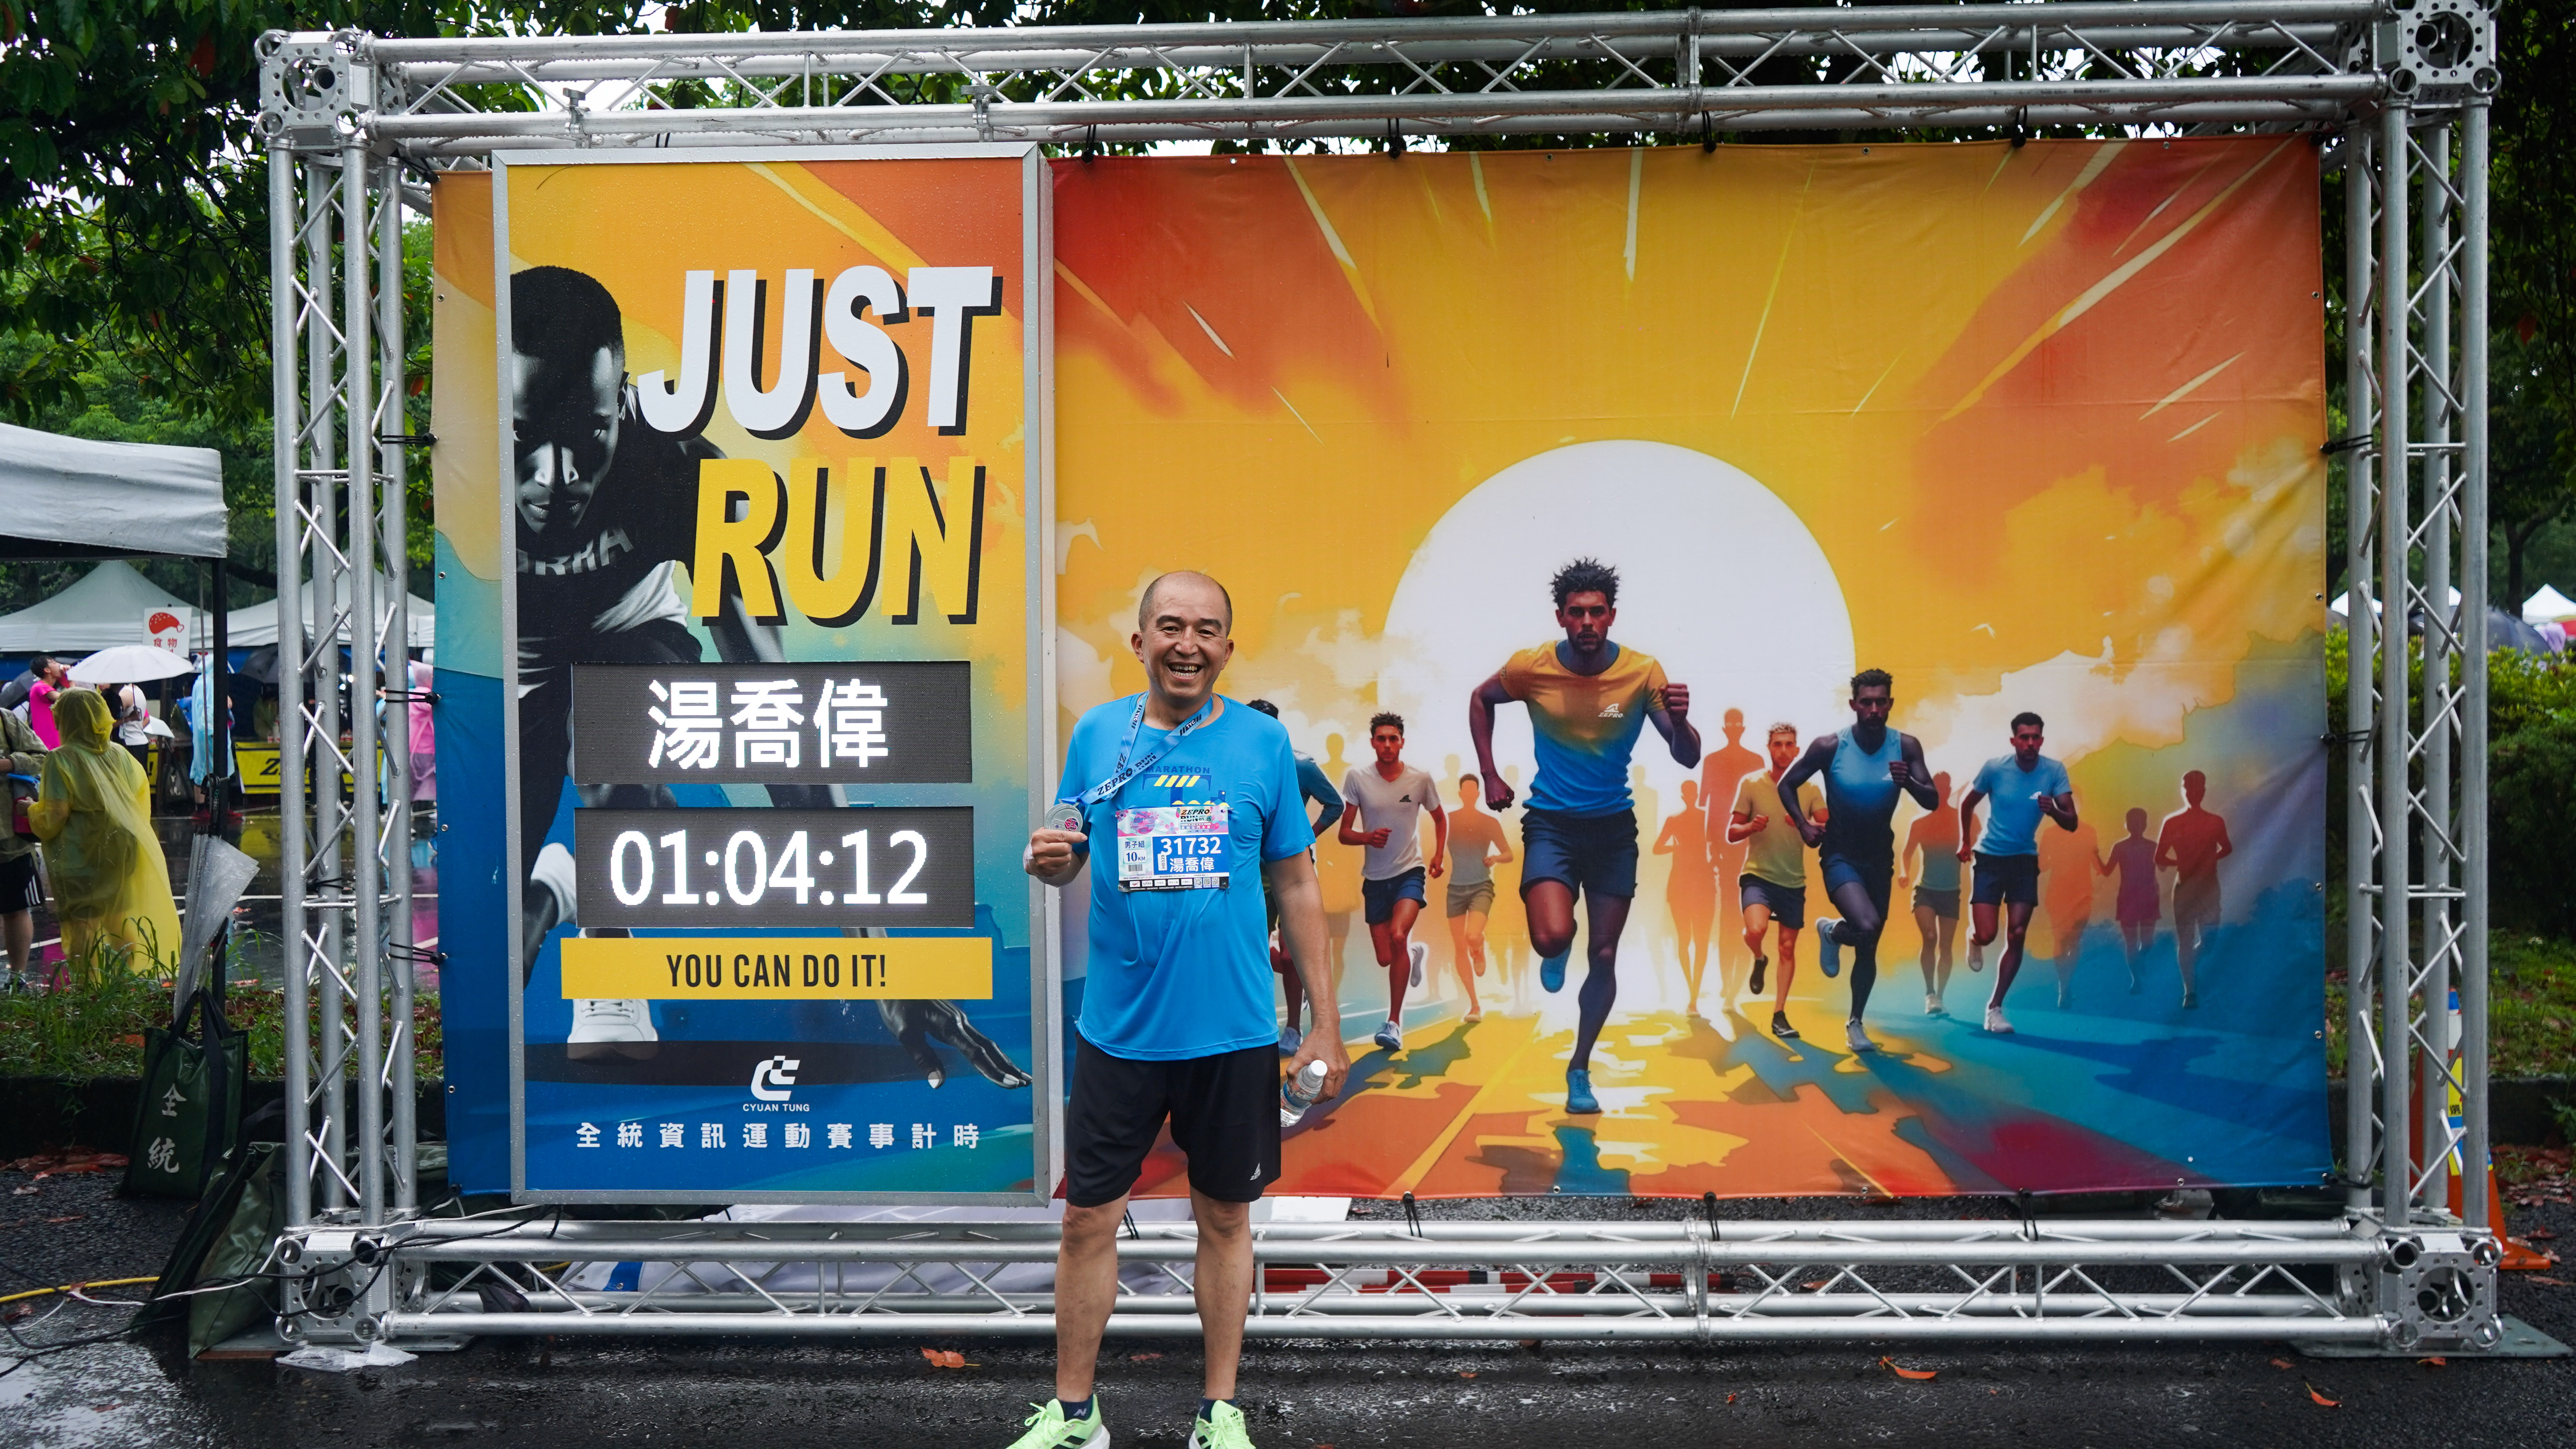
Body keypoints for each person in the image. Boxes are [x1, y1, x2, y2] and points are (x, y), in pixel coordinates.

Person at [504, 265, 1008, 1081]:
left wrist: (880, 960)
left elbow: (775, 713)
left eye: (587, 434)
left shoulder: (681, 471)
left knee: (617, 743)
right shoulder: (469, 480)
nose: (555, 478)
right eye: (524, 438)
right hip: (520, 656)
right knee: (500, 916)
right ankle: (561, 882)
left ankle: (609, 961)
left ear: (622, 402)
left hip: (630, 631)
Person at [1021, 570, 1348, 1449]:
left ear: (1228, 649)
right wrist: (1052, 858)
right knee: (1087, 1220)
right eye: (1170, 626)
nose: (1188, 644)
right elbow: (1066, 839)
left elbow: (1297, 883)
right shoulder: (1098, 734)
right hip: (1120, 1033)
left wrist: (1325, 1023)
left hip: (1232, 1034)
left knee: (1227, 1219)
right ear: (1141, 642)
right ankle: (1075, 1415)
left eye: (1206, 630)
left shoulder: (1263, 744)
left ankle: (1219, 1410)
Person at [1469, 558, 1700, 1114]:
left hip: (1613, 830)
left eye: (1598, 612)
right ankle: (1558, 945)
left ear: (1612, 615)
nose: (1588, 622)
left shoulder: (1643, 673)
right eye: (1577, 613)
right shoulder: (1532, 667)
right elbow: (1481, 699)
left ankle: (1579, 1067)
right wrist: (1490, 773)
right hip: (1551, 823)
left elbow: (1687, 756)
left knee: (1605, 952)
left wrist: (1683, 721)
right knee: (1552, 937)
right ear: (1561, 617)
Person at [1777, 670, 1937, 1054]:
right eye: (1867, 702)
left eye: (1881, 702)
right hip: (1840, 855)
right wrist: (1803, 825)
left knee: (1869, 944)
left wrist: (1908, 782)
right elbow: (1787, 784)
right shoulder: (1830, 746)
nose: (1874, 709)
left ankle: (1855, 1022)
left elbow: (1932, 800)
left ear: (1890, 704)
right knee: (1866, 925)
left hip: (1879, 858)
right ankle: (1834, 933)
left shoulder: (1906, 746)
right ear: (1854, 705)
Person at [29, 689, 179, 973]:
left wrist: (29, 810)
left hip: (81, 855)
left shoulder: (61, 759)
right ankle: (132, 981)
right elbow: (137, 800)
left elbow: (54, 816)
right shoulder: (121, 754)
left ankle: (92, 987)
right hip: (122, 850)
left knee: (84, 925)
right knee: (121, 919)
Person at [1957, 713, 2078, 1034]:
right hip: (1990, 858)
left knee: (2017, 933)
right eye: (2024, 738)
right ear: (2014, 741)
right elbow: (1966, 803)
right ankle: (1974, 938)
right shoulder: (1995, 768)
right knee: (1987, 935)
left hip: (2024, 860)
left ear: (2042, 740)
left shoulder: (2054, 771)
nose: (2030, 743)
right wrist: (1965, 842)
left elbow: (2072, 822)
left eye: (2036, 737)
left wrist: (2054, 810)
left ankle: (1994, 1008)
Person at [1339, 712, 1444, 1051]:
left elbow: (1440, 818)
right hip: (1375, 879)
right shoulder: (1358, 778)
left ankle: (1394, 1023)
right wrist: (1367, 837)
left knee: (1399, 935)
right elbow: (1344, 834)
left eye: (1393, 739)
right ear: (1373, 743)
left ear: (1402, 742)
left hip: (1410, 872)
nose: (1387, 744)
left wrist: (1438, 855)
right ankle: (1414, 953)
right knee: (1386, 957)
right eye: (1381, 739)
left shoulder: (1420, 779)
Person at [1244, 699, 1342, 1053]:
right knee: (1250, 951)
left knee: (1290, 956)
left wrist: (1306, 835)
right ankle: (1257, 1024)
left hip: (1292, 871)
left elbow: (1335, 805)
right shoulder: (1234, 763)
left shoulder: (1300, 764)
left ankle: (1293, 1029)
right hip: (1249, 873)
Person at [1729, 722, 1823, 1039]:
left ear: (1797, 750)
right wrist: (1751, 827)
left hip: (1793, 880)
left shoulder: (1810, 789)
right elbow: (1732, 832)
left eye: (1789, 745)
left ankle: (1779, 1015)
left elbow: (1828, 828)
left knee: (1787, 948)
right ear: (1769, 749)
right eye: (1778, 744)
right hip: (1758, 875)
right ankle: (1759, 958)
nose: (1784, 750)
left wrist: (1804, 822)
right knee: (1756, 930)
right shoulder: (1751, 783)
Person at [1698, 709, 1765, 1008]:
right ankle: (1729, 985)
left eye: (1738, 723)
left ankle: (1734, 985)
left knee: (1747, 915)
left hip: (1750, 848)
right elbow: (1709, 806)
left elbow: (1764, 804)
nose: (1735, 727)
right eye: (1732, 723)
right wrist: (1712, 847)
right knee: (1730, 916)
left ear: (1741, 728)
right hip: (1728, 850)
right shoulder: (1714, 761)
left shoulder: (1755, 761)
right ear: (1726, 729)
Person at [2155, 771, 2233, 1009]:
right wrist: (2180, 862)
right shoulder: (2172, 822)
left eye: (2197, 788)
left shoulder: (2215, 822)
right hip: (2184, 887)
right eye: (2188, 788)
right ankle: (2189, 991)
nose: (2192, 792)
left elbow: (2227, 847)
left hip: (2209, 887)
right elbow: (2159, 857)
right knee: (2186, 939)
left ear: (2204, 791)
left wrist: (2211, 859)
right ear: (2183, 791)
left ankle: (2192, 966)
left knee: (2210, 939)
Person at [1443, 773, 1512, 1021]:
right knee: (1459, 948)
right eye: (1466, 791)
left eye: (1474, 791)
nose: (1470, 794)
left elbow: (1509, 854)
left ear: (1478, 794)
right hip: (1455, 890)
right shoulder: (1448, 821)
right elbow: (1436, 847)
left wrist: (1495, 858)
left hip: (1481, 886)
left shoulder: (1489, 822)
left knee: (1472, 936)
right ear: (1460, 794)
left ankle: (1479, 947)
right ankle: (1474, 1005)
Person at [1899, 770, 1964, 1016]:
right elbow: (1907, 853)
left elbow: (1978, 844)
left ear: (1950, 790)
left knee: (1946, 945)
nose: (1942, 792)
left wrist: (1971, 852)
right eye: (1937, 788)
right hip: (1925, 889)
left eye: (1945, 788)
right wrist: (1904, 873)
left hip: (1951, 891)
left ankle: (1940, 997)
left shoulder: (1961, 820)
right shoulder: (1920, 822)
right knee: (1930, 937)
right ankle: (1929, 993)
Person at [1653, 779, 1717, 1018]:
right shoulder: (1681, 820)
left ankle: (1694, 995)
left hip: (1695, 882)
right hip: (1687, 883)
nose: (1691, 796)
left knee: (1695, 939)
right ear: (1688, 795)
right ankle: (1693, 994)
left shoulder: (1695, 819)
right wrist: (1677, 848)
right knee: (1690, 939)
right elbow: (1657, 848)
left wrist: (1679, 849)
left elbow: (1716, 847)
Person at [0, 700, 48, 991]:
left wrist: (8, 763)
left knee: (16, 908)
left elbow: (42, 756)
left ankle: (17, 978)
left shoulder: (6, 721)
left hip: (10, 837)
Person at [2100, 806, 2161, 994]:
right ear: (2127, 825)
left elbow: (2164, 867)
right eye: (2133, 823)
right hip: (2128, 898)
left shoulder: (2153, 846)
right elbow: (2107, 871)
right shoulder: (2120, 847)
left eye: (2140, 823)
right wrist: (2095, 856)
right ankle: (2136, 980)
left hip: (2149, 898)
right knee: (2131, 943)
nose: (2136, 827)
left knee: (2148, 943)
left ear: (2145, 825)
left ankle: (2139, 962)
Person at [26, 655, 68, 750]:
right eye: (54, 663)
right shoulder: (40, 687)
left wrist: (67, 679)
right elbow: (70, 698)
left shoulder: (48, 688)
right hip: (49, 741)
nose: (59, 665)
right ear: (47, 670)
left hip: (55, 738)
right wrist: (70, 678)